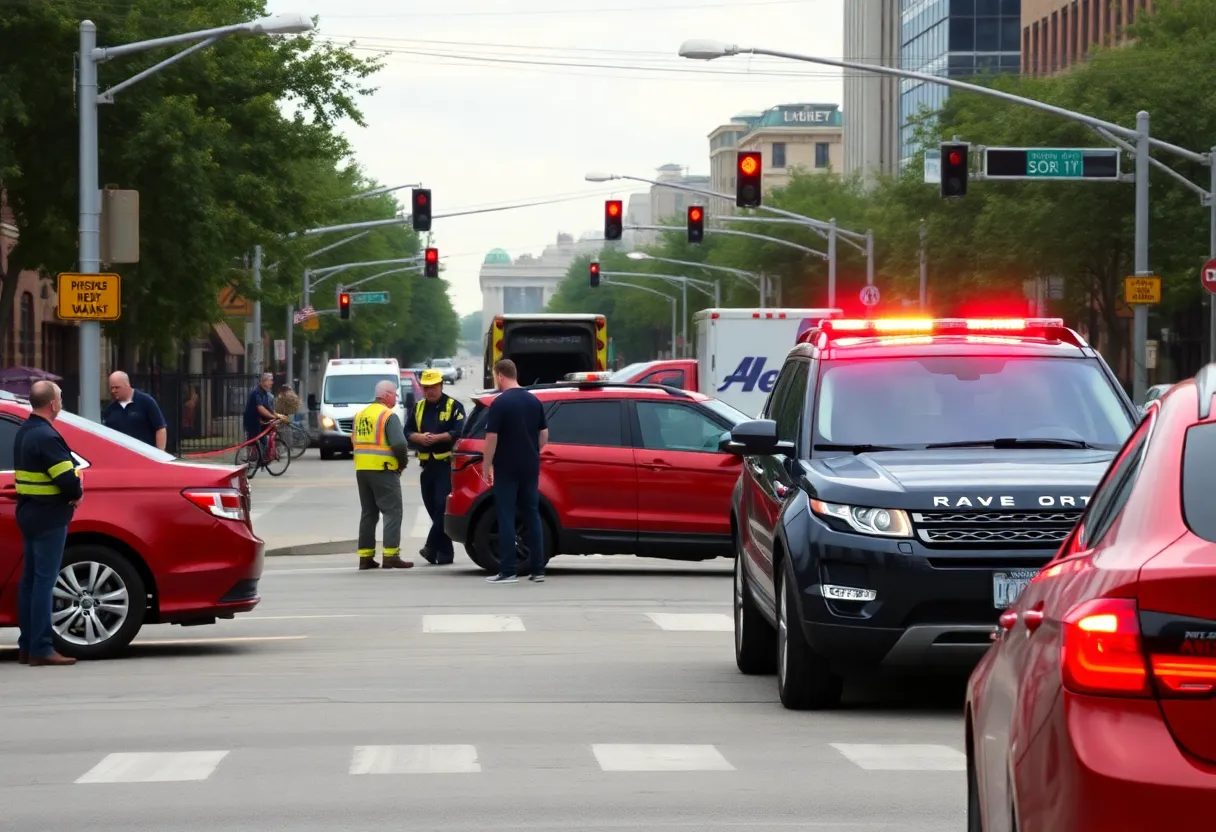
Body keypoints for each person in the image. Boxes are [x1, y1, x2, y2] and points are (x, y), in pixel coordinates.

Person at [14, 381, 83, 666]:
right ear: (52, 404)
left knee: (30, 581)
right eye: (61, 398)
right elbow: (67, 480)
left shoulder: (25, 432)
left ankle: (28, 646)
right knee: (44, 582)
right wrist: (77, 493)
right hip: (49, 517)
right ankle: (42, 648)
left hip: (29, 514)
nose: (62, 402)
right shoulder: (46, 436)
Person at [481, 359, 549, 584]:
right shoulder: (533, 401)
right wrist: (532, 451)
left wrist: (486, 464)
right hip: (530, 465)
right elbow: (544, 435)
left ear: (501, 375)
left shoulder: (500, 404)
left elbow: (492, 438)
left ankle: (508, 570)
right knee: (531, 513)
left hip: (507, 466)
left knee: (506, 514)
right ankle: (538, 570)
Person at [405, 368, 465, 565]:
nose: (430, 391)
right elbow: (408, 431)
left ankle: (431, 546)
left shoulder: (453, 406)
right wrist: (419, 437)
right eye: (426, 387)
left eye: (434, 387)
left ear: (441, 385)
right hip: (426, 465)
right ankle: (445, 553)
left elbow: (458, 431)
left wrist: (436, 438)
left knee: (442, 506)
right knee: (433, 507)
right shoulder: (419, 407)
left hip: (445, 464)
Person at [353, 379, 413, 570]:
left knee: (368, 513)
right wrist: (402, 464)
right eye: (394, 394)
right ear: (386, 395)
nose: (396, 397)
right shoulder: (387, 415)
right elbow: (399, 444)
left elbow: (354, 441)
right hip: (384, 469)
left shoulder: (360, 415)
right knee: (392, 511)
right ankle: (391, 556)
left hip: (362, 470)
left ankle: (365, 557)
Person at [102, 371, 168, 450]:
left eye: (117, 387)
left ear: (127, 385)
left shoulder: (146, 401)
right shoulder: (111, 409)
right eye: (111, 388)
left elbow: (160, 428)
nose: (113, 391)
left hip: (145, 454)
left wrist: (160, 453)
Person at [243, 373, 287, 459]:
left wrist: (278, 416)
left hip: (260, 421)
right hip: (252, 421)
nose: (272, 382)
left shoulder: (264, 393)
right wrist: (273, 417)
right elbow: (261, 408)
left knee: (263, 440)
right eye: (270, 380)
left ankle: (263, 459)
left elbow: (269, 408)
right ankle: (253, 460)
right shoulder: (257, 393)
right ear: (264, 381)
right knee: (255, 441)